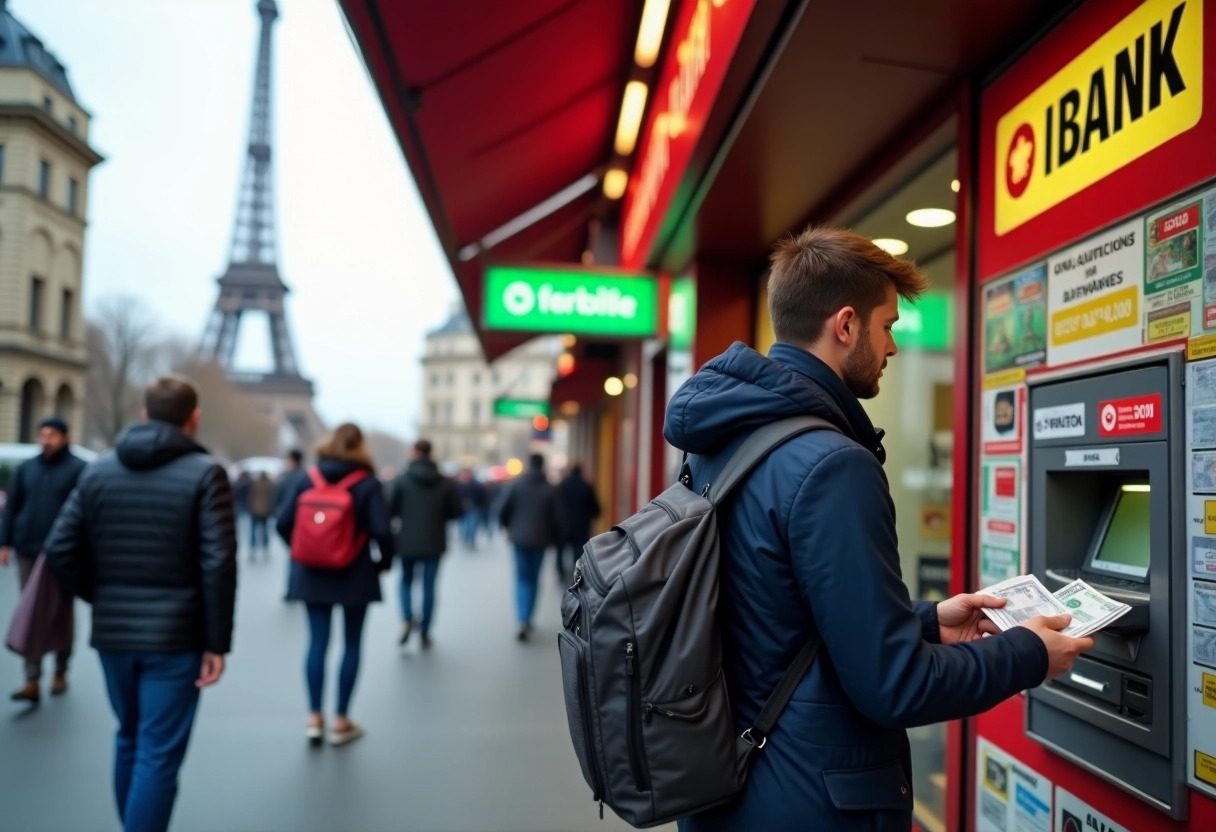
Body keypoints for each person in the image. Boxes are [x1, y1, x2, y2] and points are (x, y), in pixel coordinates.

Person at [663, 227, 1093, 831]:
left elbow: (774, 608)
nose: (892, 347)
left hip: (730, 785)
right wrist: (1028, 653)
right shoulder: (832, 463)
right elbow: (894, 686)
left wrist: (922, 621)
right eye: (887, 325)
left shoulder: (726, 438)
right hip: (811, 801)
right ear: (845, 326)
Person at [42, 376, 237, 832]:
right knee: (158, 753)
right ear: (195, 418)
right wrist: (217, 642)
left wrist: (102, 596)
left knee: (129, 737)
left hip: (114, 631)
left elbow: (60, 549)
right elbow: (218, 562)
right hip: (177, 636)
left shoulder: (98, 470)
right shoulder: (206, 473)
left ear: (144, 414)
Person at [277, 423, 393, 747]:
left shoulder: (307, 477)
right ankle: (341, 720)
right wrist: (381, 564)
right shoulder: (367, 482)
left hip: (312, 574)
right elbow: (383, 531)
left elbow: (283, 522)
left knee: (317, 643)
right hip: (355, 573)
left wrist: (304, 551)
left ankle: (314, 717)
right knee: (352, 645)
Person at [0, 416, 87, 703]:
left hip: (64, 554)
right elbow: (12, 507)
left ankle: (61, 669)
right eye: (43, 434)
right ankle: (31, 678)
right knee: (31, 611)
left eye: (52, 434)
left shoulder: (79, 469)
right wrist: (5, 542)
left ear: (64, 436)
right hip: (28, 549)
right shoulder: (27, 468)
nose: (46, 440)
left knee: (62, 612)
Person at [386, 440, 463, 649]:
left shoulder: (401, 480)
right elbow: (457, 512)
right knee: (429, 587)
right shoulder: (445, 482)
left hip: (407, 541)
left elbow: (389, 509)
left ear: (414, 453)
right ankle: (425, 630)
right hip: (434, 541)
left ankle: (408, 618)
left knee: (405, 582)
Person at [498, 453, 561, 642]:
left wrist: (508, 527)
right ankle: (528, 617)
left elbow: (502, 509)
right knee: (534, 579)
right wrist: (554, 537)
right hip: (541, 539)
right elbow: (558, 518)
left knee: (521, 578)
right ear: (543, 466)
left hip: (519, 538)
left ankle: (522, 619)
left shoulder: (517, 485)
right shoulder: (550, 489)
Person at [555, 463, 600, 585]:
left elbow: (554, 506)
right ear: (581, 472)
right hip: (581, 526)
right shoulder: (586, 487)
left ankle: (561, 573)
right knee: (578, 553)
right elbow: (596, 509)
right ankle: (576, 575)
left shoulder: (561, 486)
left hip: (563, 526)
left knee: (560, 551)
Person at [455, 468, 489, 550]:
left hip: (473, 508)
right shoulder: (458, 485)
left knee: (472, 525)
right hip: (461, 509)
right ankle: (465, 539)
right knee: (463, 525)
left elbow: (482, 497)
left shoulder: (476, 485)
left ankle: (471, 539)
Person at [246, 472, 274, 561]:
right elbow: (273, 498)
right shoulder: (270, 485)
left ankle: (253, 550)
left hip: (255, 510)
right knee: (265, 530)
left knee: (253, 530)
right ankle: (265, 549)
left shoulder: (255, 484)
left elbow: (250, 497)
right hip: (265, 511)